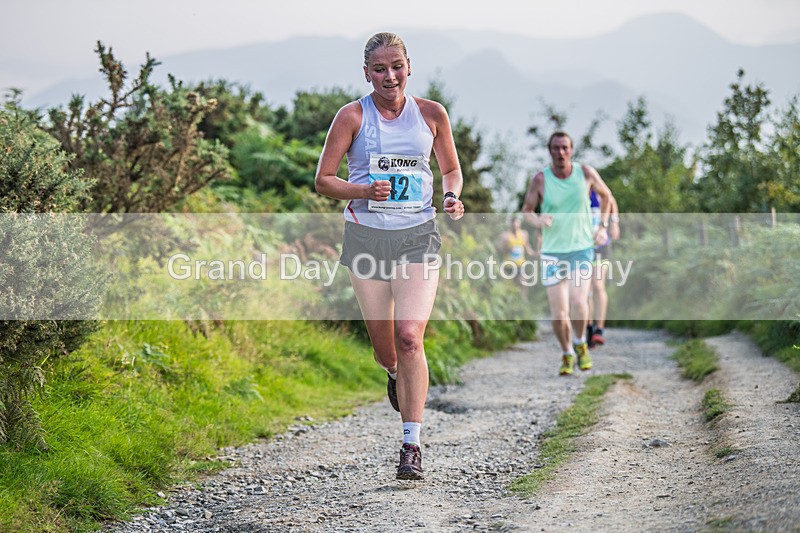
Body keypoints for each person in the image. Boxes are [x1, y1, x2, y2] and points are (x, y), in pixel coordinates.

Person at [315, 32, 465, 480]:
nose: (389, 76)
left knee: (409, 336)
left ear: (409, 66)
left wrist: (453, 196)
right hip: (366, 240)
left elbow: (450, 168)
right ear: (367, 73)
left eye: (396, 66)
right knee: (386, 351)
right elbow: (323, 180)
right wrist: (363, 190)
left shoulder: (433, 114)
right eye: (379, 69)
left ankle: (411, 445)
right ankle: (395, 374)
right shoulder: (352, 116)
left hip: (418, 236)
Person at [522, 131, 612, 376]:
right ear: (549, 151)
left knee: (579, 302)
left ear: (571, 150)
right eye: (556, 148)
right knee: (559, 313)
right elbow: (527, 211)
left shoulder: (586, 173)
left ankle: (581, 342)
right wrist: (538, 220)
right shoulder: (540, 179)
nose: (560, 153)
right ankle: (566, 353)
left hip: (582, 249)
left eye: (565, 148)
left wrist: (602, 227)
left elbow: (606, 197)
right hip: (552, 252)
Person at [587, 189, 620, 348]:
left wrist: (614, 223)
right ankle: (588, 327)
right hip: (581, 247)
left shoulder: (598, 192)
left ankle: (599, 330)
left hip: (601, 246)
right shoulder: (574, 192)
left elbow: (611, 200)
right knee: (585, 291)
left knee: (598, 286)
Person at [499, 215, 536, 299]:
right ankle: (509, 303)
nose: (515, 225)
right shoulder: (505, 236)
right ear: (510, 224)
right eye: (513, 223)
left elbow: (528, 248)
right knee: (508, 287)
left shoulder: (523, 234)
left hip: (520, 264)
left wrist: (535, 253)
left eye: (517, 223)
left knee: (523, 283)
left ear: (519, 224)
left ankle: (523, 303)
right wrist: (508, 249)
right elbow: (499, 249)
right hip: (508, 265)